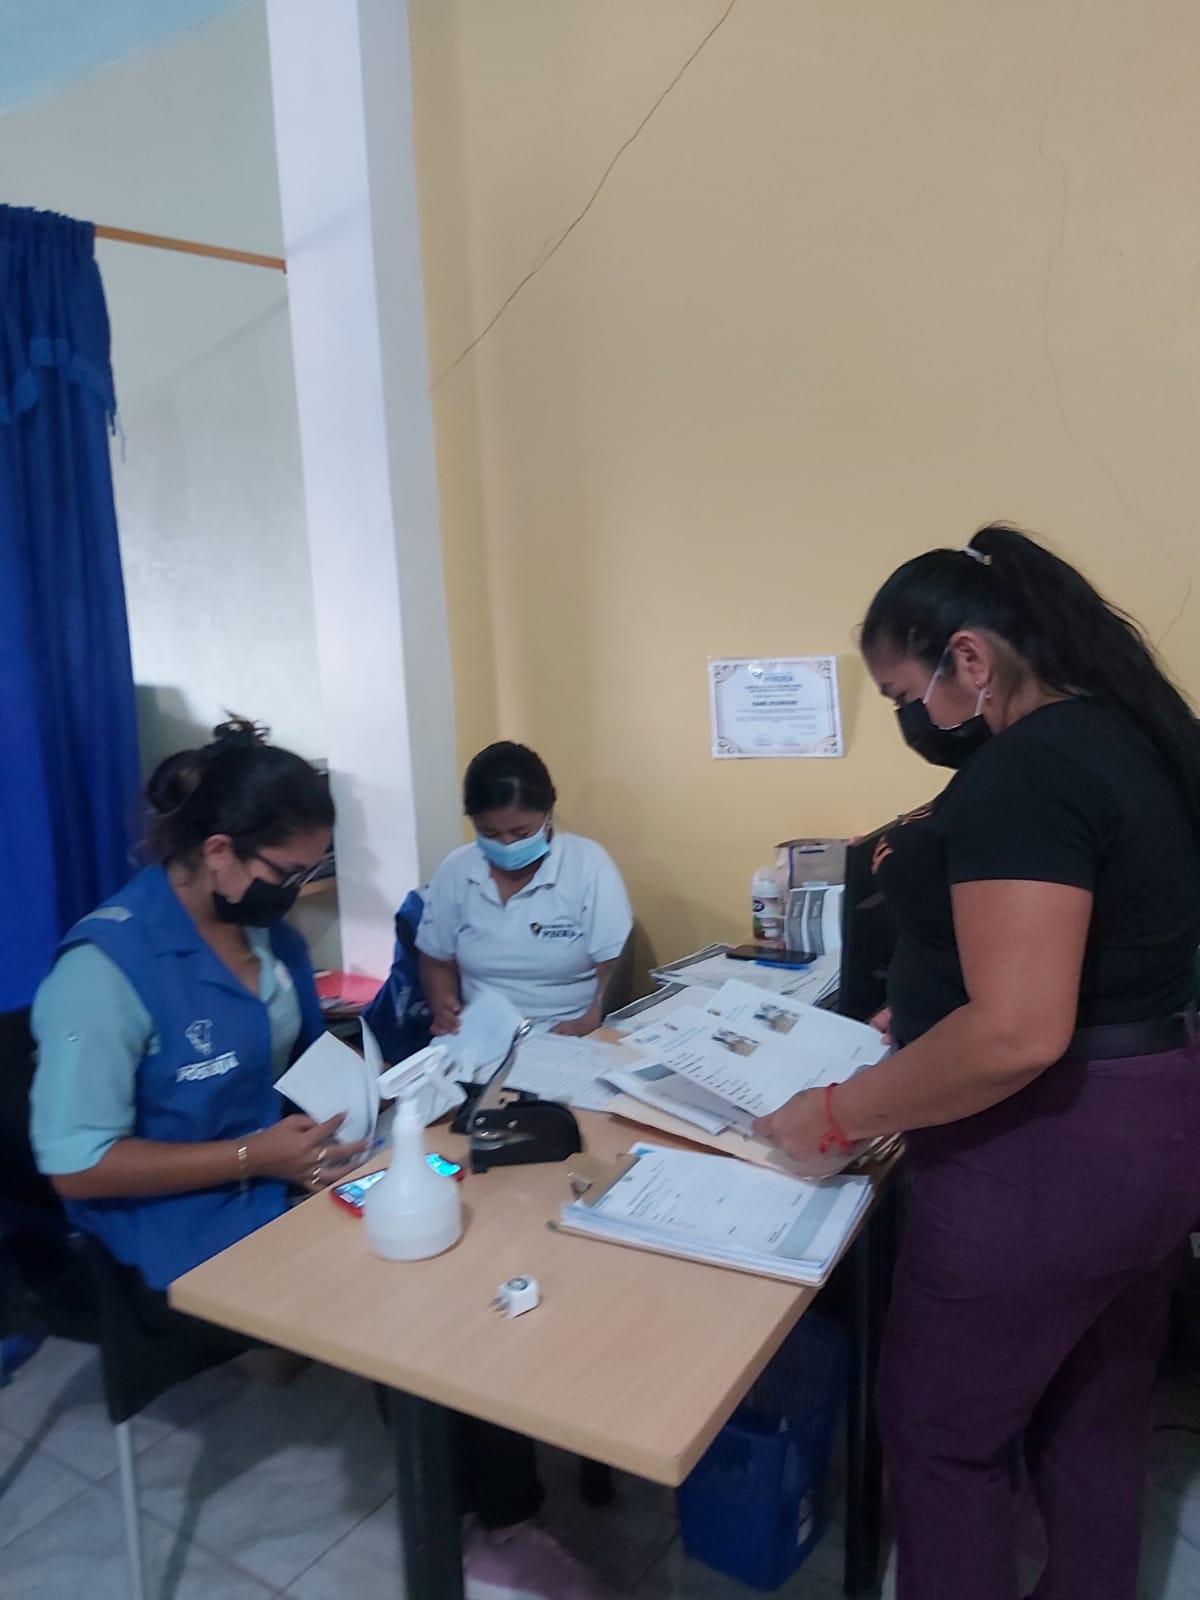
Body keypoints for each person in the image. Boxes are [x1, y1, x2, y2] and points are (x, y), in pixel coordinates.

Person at [753, 526, 1200, 1600]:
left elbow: (1016, 1032)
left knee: (939, 1435)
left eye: (907, 694)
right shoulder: (1123, 736)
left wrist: (834, 1111)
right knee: (1096, 1411)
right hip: (1156, 1128)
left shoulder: (1028, 769)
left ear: (970, 658)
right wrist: (926, 1007)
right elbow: (1084, 958)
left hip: (1052, 1152)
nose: (913, 719)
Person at [29, 719, 360, 1317]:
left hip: (278, 1178)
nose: (296, 889)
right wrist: (254, 1156)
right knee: (362, 1295)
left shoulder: (268, 938)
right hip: (173, 1219)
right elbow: (77, 1166)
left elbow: (305, 1065)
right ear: (218, 851)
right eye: (287, 873)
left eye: (310, 871)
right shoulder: (104, 972)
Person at [418, 741, 633, 1038]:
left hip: (565, 1033)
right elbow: (435, 960)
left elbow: (613, 968)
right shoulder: (457, 870)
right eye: (490, 833)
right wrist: (443, 1006)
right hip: (480, 1035)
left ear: (548, 814)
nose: (507, 844)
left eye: (521, 833)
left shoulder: (587, 865)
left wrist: (588, 1022)